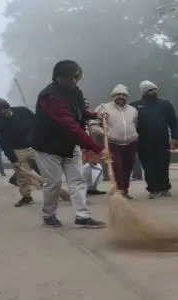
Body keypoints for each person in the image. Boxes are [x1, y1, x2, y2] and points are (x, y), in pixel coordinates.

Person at [32, 60, 106, 228]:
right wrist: (95, 147)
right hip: (48, 147)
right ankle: (48, 215)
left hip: (71, 145)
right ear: (58, 78)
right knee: (54, 183)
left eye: (76, 77)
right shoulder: (50, 97)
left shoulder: (75, 91)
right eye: (70, 78)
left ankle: (82, 216)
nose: (74, 81)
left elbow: (79, 112)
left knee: (78, 180)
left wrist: (94, 115)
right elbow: (70, 125)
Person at [130, 81, 177, 199]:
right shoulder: (135, 105)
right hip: (143, 142)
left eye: (155, 89)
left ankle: (165, 188)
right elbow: (130, 124)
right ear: (144, 91)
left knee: (163, 164)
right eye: (150, 90)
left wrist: (176, 138)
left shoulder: (165, 104)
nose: (154, 91)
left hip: (162, 140)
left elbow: (173, 122)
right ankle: (153, 189)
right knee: (148, 166)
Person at [95, 84, 139, 199]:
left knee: (128, 167)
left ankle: (125, 190)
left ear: (127, 97)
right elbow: (93, 125)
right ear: (113, 96)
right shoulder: (104, 108)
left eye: (124, 95)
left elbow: (135, 124)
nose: (121, 97)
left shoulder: (133, 110)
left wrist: (135, 134)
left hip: (131, 142)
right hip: (113, 143)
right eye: (118, 94)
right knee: (117, 167)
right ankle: (118, 191)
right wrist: (105, 132)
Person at [0, 98, 38, 207]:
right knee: (22, 177)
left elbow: (37, 124)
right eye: (1, 113)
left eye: (6, 111)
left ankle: (54, 192)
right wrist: (13, 159)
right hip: (17, 151)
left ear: (9, 107)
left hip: (34, 147)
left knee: (45, 171)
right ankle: (27, 197)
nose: (5, 114)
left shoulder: (23, 111)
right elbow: (4, 143)